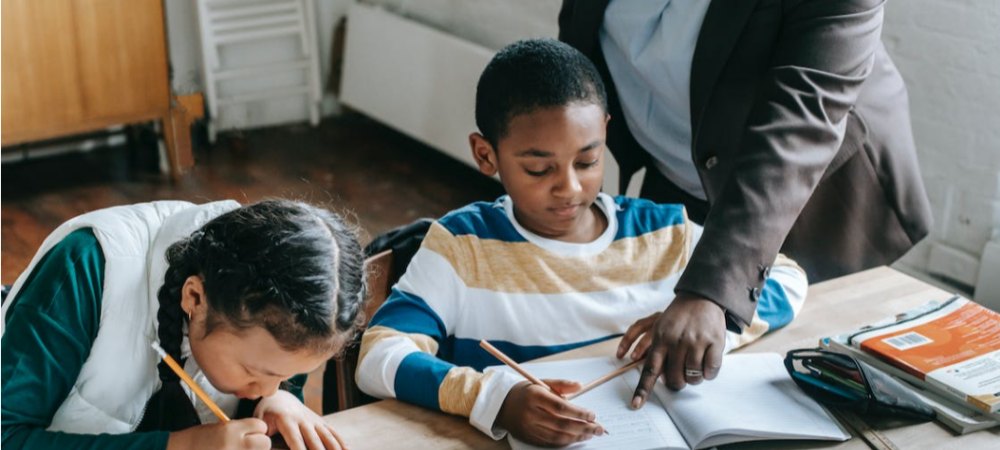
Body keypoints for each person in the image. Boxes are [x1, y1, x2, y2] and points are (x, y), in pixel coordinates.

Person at [354, 39, 808, 447]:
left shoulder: (662, 230)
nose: (569, 187)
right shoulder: (463, 246)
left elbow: (786, 277)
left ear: (606, 132)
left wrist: (707, 323)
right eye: (539, 169)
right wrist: (495, 399)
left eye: (588, 160)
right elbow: (380, 354)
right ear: (486, 154)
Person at [558, 0, 933, 403]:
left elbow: (799, 125)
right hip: (675, 174)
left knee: (803, 390)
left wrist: (712, 292)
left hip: (813, 200)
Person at [1, 199, 366, 450]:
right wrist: (181, 445)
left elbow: (275, 381)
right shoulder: (84, 268)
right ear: (194, 298)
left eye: (286, 376)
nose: (265, 389)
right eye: (255, 372)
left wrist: (283, 400)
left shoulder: (287, 314)